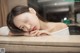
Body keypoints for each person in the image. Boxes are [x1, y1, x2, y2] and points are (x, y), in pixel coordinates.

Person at [0, 5, 70, 36]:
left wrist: (50, 37)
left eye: (26, 20)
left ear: (32, 11)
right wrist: (25, 33)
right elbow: (2, 30)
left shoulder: (61, 26)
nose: (28, 27)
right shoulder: (30, 33)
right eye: (22, 27)